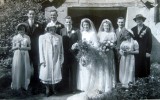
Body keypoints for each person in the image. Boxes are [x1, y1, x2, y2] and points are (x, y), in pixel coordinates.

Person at [39, 23, 64, 96]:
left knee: (55, 73)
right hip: (46, 58)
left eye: (53, 28)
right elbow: (40, 49)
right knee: (46, 74)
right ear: (47, 29)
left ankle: (54, 89)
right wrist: (42, 60)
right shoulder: (42, 37)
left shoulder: (59, 37)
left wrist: (61, 59)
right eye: (50, 28)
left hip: (56, 58)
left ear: (55, 29)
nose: (51, 30)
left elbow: (61, 49)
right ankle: (47, 89)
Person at [24, 9, 44, 94]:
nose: (31, 15)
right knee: (27, 67)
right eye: (30, 14)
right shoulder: (24, 24)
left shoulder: (39, 24)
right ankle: (27, 85)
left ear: (34, 15)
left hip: (36, 49)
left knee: (36, 67)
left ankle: (36, 85)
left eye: (33, 14)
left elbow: (42, 36)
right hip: (27, 49)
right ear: (27, 15)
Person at [60, 16, 80, 92]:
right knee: (64, 71)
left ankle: (73, 88)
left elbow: (79, 41)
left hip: (74, 54)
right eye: (67, 22)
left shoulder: (76, 30)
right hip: (64, 54)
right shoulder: (62, 30)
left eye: (69, 22)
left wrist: (76, 45)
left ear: (72, 22)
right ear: (65, 22)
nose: (68, 23)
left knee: (73, 71)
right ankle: (65, 88)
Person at [97, 19, 117, 91]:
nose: (106, 27)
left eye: (107, 25)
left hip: (109, 53)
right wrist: (102, 47)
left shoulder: (112, 34)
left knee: (109, 68)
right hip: (102, 53)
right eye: (105, 25)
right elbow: (98, 43)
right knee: (102, 69)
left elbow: (114, 44)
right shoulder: (100, 34)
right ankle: (101, 87)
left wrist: (109, 46)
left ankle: (109, 86)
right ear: (103, 26)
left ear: (109, 26)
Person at [11, 23, 31, 90]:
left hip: (25, 54)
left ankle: (25, 85)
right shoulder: (15, 37)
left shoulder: (27, 37)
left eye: (22, 29)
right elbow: (12, 48)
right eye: (19, 29)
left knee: (25, 68)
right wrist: (17, 47)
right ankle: (17, 85)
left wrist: (23, 48)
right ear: (17, 30)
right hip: (17, 54)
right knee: (17, 68)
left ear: (25, 30)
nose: (21, 31)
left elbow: (30, 48)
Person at [131, 14, 152, 78]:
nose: (138, 20)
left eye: (140, 19)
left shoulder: (147, 29)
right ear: (136, 21)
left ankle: (145, 81)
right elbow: (131, 40)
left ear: (143, 20)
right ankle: (136, 79)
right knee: (136, 64)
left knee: (145, 65)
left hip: (144, 50)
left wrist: (148, 52)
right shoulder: (133, 29)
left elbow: (150, 41)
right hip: (136, 50)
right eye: (137, 19)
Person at [115, 17, 127, 82]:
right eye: (119, 22)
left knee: (122, 65)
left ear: (124, 22)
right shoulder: (115, 30)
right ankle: (116, 79)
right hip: (115, 51)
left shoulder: (126, 30)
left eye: (122, 22)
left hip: (123, 51)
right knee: (116, 64)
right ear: (117, 23)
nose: (120, 23)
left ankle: (122, 80)